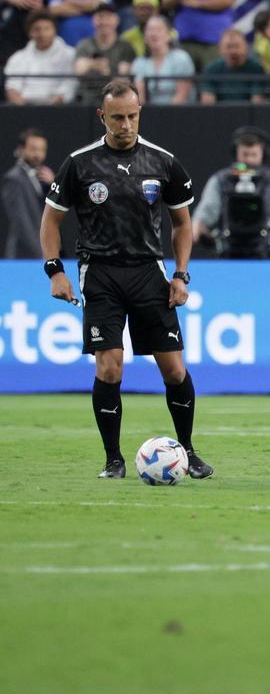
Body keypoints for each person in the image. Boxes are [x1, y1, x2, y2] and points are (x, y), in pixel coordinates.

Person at [39, 80, 212, 481]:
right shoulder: (80, 163)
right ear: (102, 116)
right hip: (99, 273)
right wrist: (55, 270)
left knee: (173, 370)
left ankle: (187, 450)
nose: (125, 124)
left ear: (140, 113)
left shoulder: (163, 162)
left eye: (132, 116)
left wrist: (182, 275)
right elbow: (51, 219)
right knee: (110, 369)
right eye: (117, 117)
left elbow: (182, 224)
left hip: (149, 272)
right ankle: (113, 460)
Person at [193, 126, 270, 256]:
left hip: (266, 250)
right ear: (236, 153)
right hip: (229, 248)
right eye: (245, 154)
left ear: (263, 154)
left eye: (253, 155)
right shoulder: (221, 180)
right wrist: (197, 226)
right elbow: (206, 210)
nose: (249, 160)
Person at [3, 9, 77, 104]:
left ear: (55, 30)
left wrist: (48, 108)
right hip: (23, 111)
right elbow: (12, 88)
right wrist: (25, 110)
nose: (42, 34)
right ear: (29, 33)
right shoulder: (17, 57)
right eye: (37, 29)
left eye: (47, 28)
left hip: (60, 111)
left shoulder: (70, 54)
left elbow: (69, 86)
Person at [3, 128, 54, 259]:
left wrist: (53, 184)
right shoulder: (14, 179)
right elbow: (21, 223)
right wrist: (41, 254)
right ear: (21, 149)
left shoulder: (40, 178)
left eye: (42, 150)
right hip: (24, 256)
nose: (38, 154)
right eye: (33, 149)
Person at [72, 2, 136, 105]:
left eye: (109, 17)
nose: (104, 22)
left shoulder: (125, 47)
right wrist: (95, 64)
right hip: (86, 99)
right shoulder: (84, 44)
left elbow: (123, 79)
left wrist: (105, 72)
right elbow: (78, 70)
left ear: (116, 20)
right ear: (94, 20)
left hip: (115, 100)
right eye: (100, 17)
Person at [131, 15, 195, 104]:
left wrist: (164, 115)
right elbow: (140, 98)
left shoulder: (181, 58)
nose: (154, 34)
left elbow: (182, 95)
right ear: (145, 37)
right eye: (150, 30)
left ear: (169, 35)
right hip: (149, 113)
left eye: (158, 30)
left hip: (179, 112)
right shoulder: (139, 63)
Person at [198, 28, 270, 103]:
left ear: (246, 47)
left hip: (248, 113)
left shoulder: (257, 69)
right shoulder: (211, 70)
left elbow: (257, 103)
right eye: (228, 47)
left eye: (237, 46)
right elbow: (207, 103)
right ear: (219, 49)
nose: (233, 51)